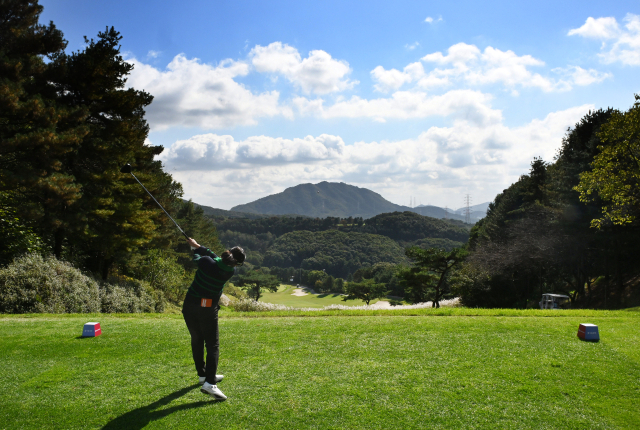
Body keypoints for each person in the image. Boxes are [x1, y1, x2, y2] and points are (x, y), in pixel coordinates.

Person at [182, 237, 245, 400]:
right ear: (236, 263)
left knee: (197, 339)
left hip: (189, 306)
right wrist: (198, 246)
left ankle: (203, 375)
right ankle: (210, 383)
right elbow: (215, 258)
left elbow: (204, 257)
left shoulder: (205, 262)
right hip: (207, 309)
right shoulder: (229, 271)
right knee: (212, 344)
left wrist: (195, 248)